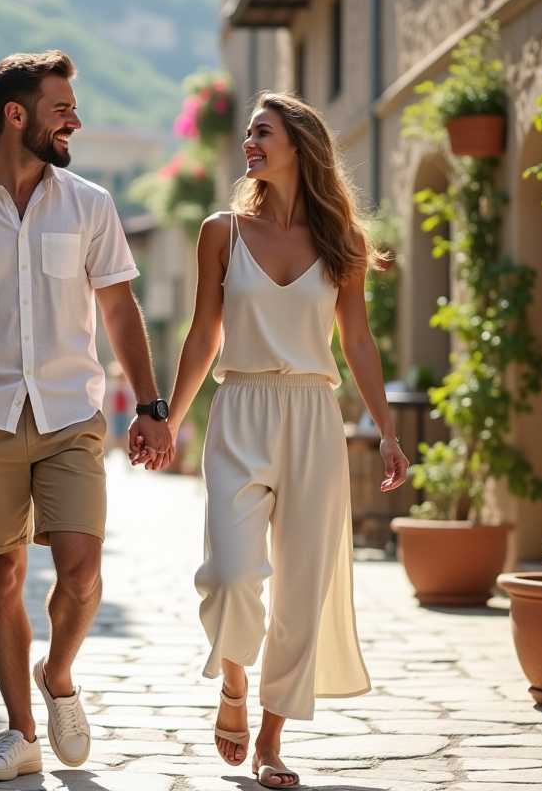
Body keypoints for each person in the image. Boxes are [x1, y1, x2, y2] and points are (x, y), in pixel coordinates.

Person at [0, 50, 172, 782]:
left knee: (81, 572)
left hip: (70, 414)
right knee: (2, 579)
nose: (74, 120)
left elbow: (119, 309)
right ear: (15, 115)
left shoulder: (90, 204)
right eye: (62, 109)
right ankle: (20, 733)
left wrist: (150, 405)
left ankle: (58, 673)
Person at [161, 91, 409, 788]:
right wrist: (172, 421)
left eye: (262, 132)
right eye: (247, 132)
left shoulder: (342, 241)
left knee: (302, 591)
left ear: (298, 144)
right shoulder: (222, 232)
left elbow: (357, 341)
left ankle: (271, 741)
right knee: (230, 574)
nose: (249, 142)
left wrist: (387, 431)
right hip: (239, 408)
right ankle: (234, 681)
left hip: (312, 414)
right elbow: (203, 335)